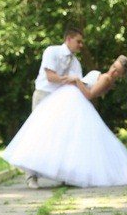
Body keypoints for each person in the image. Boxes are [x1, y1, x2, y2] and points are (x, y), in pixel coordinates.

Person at [2, 56, 127, 188]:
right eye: (114, 66)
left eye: (117, 71)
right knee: (62, 136)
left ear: (121, 75)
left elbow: (89, 94)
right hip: (71, 97)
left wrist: (77, 80)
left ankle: (46, 172)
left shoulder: (107, 79)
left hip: (77, 100)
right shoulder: (102, 75)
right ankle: (55, 173)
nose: (113, 71)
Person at [26, 27, 84, 188]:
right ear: (69, 39)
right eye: (78, 41)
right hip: (43, 95)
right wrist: (68, 79)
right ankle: (31, 176)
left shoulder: (75, 62)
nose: (81, 46)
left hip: (61, 101)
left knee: (60, 137)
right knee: (37, 134)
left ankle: (63, 174)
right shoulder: (52, 52)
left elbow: (78, 82)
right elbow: (51, 77)